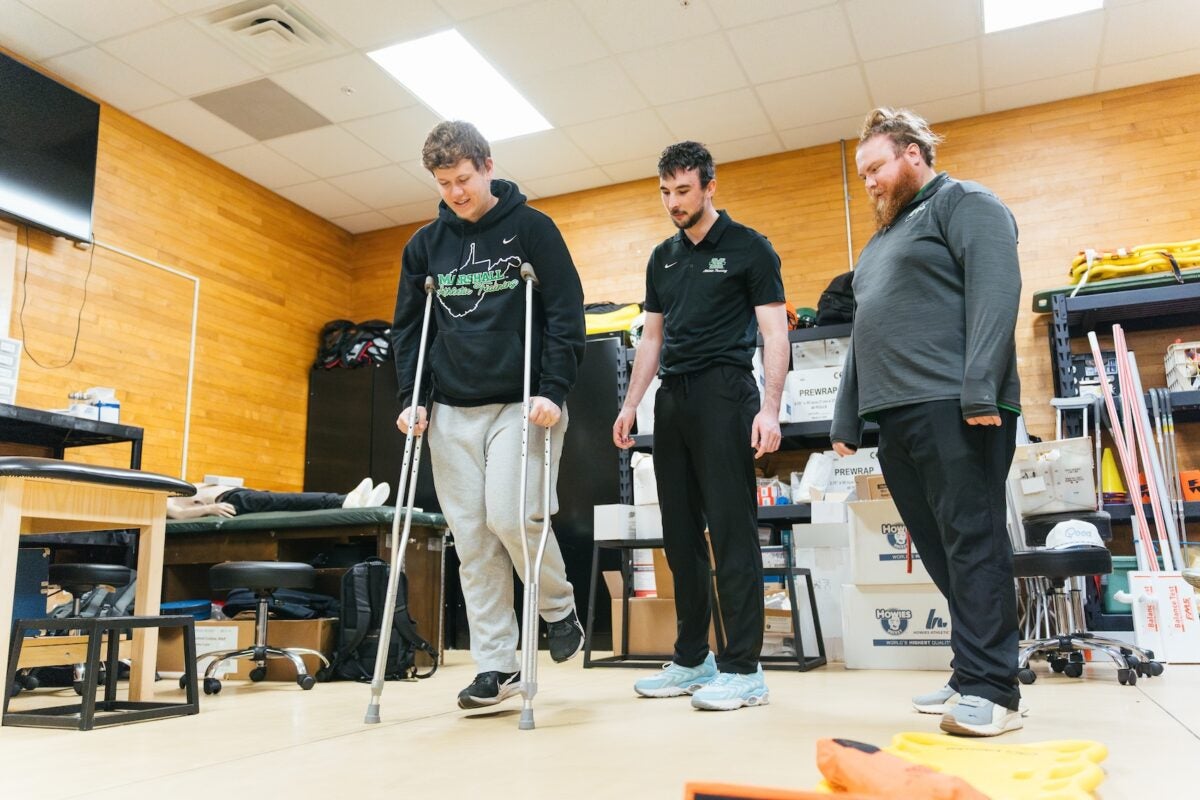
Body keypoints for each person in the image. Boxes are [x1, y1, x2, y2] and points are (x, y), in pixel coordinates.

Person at [830, 107, 1024, 737]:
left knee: (973, 542)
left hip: (956, 405)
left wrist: (979, 387)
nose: (869, 183)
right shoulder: (879, 243)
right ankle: (971, 671)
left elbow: (997, 291)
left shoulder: (964, 203)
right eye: (862, 175)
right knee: (939, 549)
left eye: (876, 168)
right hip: (895, 415)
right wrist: (846, 415)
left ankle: (994, 691)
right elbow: (865, 329)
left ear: (913, 154)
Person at [391, 120, 587, 711]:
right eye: (444, 182)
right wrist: (411, 398)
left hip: (522, 402)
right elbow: (408, 330)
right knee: (473, 541)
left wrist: (554, 388)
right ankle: (496, 666)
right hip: (452, 408)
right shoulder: (424, 246)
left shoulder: (532, 228)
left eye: (464, 178)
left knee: (512, 517)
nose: (455, 192)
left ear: (488, 167)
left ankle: (557, 607)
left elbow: (566, 311)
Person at [613, 141, 788, 711]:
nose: (674, 202)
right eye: (666, 192)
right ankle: (693, 658)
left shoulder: (749, 247)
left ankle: (745, 669)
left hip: (726, 393)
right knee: (680, 534)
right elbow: (652, 338)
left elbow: (774, 333)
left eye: (684, 191)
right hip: (674, 399)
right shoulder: (661, 257)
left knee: (732, 531)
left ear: (710, 187)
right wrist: (630, 404)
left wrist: (770, 408)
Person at [166, 477, 389, 520]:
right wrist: (209, 509)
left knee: (284, 500)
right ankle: (343, 501)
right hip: (232, 501)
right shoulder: (160, 499)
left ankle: (356, 502)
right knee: (289, 500)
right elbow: (180, 514)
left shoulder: (174, 487)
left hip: (238, 494)